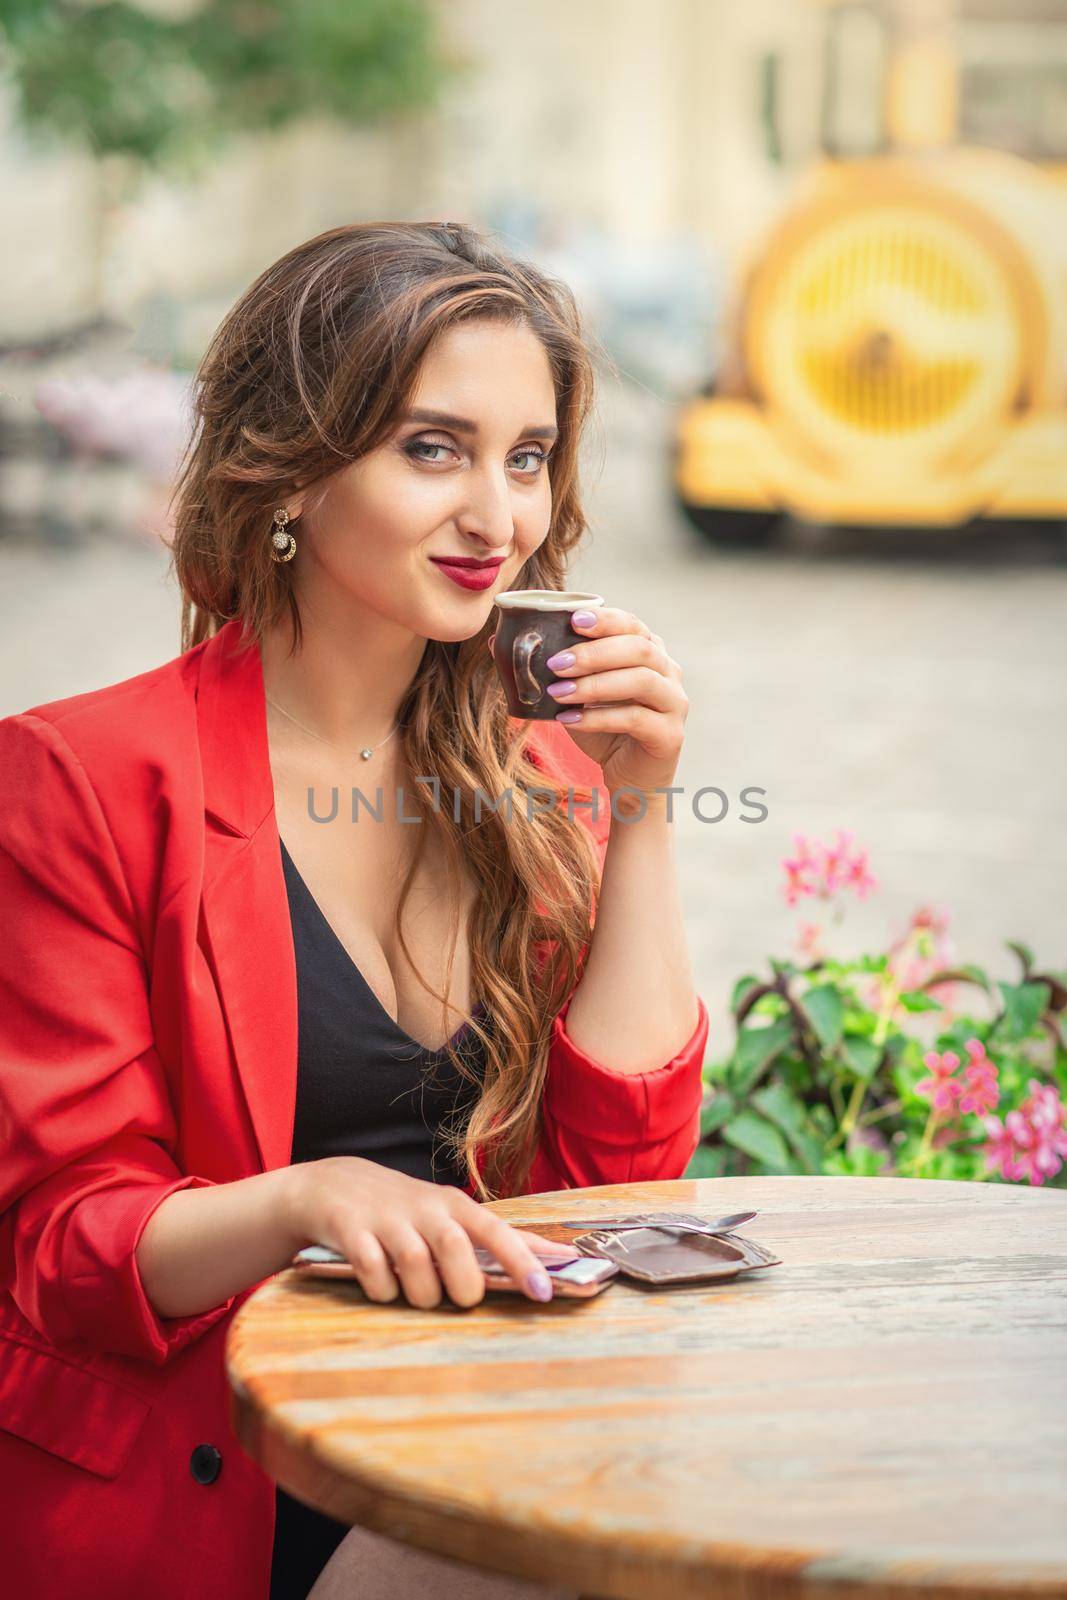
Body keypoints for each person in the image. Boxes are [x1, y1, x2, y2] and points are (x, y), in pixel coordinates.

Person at [0, 221, 708, 1600]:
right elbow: (62, 1247)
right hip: (213, 1486)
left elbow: (619, 1188)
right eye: (430, 448)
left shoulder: (546, 772)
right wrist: (306, 1203)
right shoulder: (80, 777)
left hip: (471, 1447)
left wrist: (645, 809)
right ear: (293, 467)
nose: (497, 520)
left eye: (526, 456)